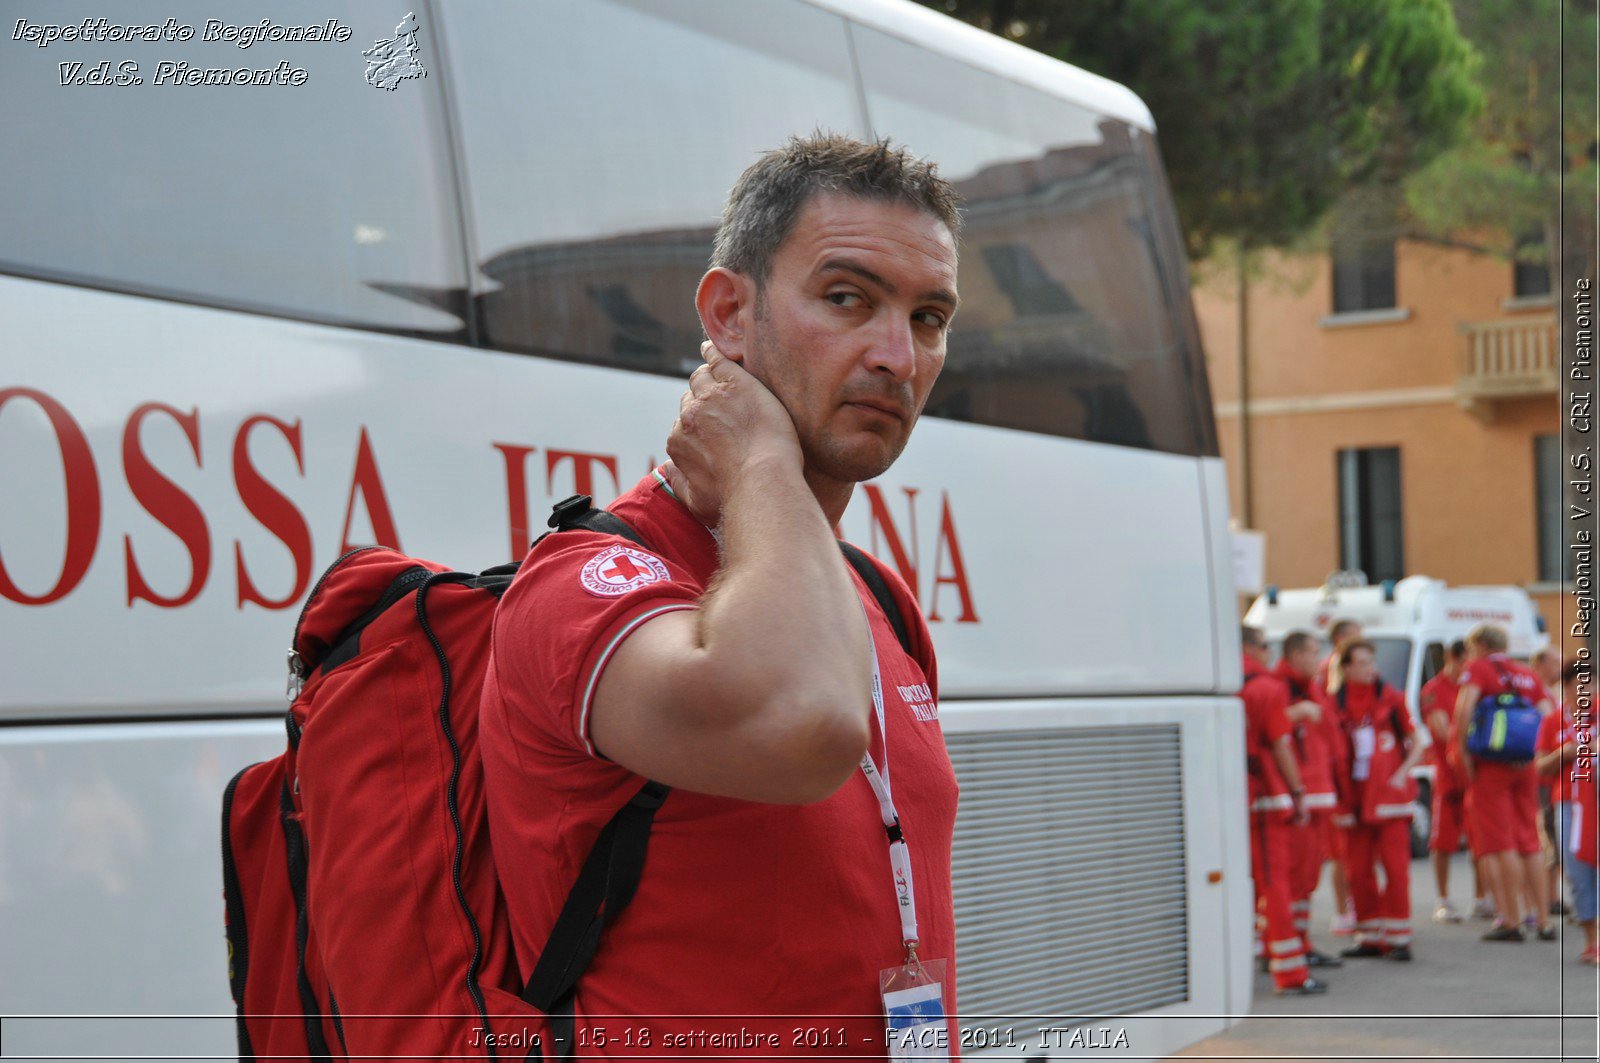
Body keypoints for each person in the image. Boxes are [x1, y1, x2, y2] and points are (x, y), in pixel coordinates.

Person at [480, 134, 964, 1056]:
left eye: (930, 317)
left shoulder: (879, 597)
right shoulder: (584, 583)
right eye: (847, 298)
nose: (898, 356)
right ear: (729, 313)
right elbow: (805, 724)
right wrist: (760, 460)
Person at [1454, 623, 1557, 942]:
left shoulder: (1479, 669)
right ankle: (1542, 919)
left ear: (1480, 646)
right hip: (1524, 764)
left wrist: (1463, 753)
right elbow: (1547, 711)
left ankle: (1511, 919)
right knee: (1529, 839)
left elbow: (1464, 710)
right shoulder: (1526, 673)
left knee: (1500, 843)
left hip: (1491, 765)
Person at [1241, 626, 1326, 995]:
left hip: (1232, 797)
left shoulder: (1225, 685)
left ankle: (1264, 950)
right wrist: (1297, 792)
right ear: (1247, 647)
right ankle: (1290, 972)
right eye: (1263, 646)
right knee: (1276, 883)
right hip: (1264, 799)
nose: (1267, 653)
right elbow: (1279, 745)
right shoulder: (1265, 688)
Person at [1334, 639, 1423, 961]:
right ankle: (1369, 936)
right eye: (1362, 663)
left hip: (1388, 800)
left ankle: (1399, 939)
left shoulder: (1391, 698)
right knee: (1357, 872)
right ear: (1345, 668)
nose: (1370, 669)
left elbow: (1417, 743)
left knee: (1396, 870)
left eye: (1372, 662)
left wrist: (1401, 774)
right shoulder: (1336, 703)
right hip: (1352, 798)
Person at [1273, 630, 1344, 968]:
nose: (1318, 660)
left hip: (1318, 793)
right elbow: (1265, 730)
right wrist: (1296, 712)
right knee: (1289, 875)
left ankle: (1300, 941)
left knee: (1307, 875)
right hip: (1295, 794)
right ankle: (1281, 942)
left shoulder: (1312, 687)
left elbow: (1329, 739)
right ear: (1295, 655)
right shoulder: (1279, 688)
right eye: (1313, 653)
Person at [1536, 659, 1597, 962]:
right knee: (1576, 872)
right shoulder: (1552, 721)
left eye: (1593, 683)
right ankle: (1591, 941)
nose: (1588, 689)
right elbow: (1538, 766)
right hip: (1567, 804)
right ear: (1567, 686)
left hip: (1596, 802)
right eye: (1581, 684)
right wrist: (1564, 753)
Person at [1316, 618, 1362, 936]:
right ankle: (1343, 910)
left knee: (1355, 850)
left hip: (1355, 771)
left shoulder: (1357, 677)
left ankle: (1357, 906)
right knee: (1340, 852)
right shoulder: (1327, 673)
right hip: (1337, 773)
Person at [1422, 640, 1470, 922]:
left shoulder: (1471, 686)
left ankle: (1482, 898)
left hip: (1474, 774)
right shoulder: (1434, 689)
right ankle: (1443, 899)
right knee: (1443, 842)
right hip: (1448, 777)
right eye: (1466, 660)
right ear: (1453, 657)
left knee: (1480, 841)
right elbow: (1441, 731)